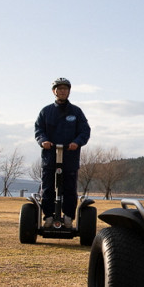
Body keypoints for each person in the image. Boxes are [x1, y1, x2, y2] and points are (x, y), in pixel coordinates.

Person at [34, 78, 91, 227]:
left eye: (65, 88)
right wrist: (43, 141)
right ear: (54, 91)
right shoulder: (46, 111)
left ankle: (68, 217)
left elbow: (85, 131)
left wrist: (76, 142)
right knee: (47, 188)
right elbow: (39, 130)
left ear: (69, 91)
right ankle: (48, 217)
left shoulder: (76, 112)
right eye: (59, 89)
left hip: (70, 157)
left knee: (69, 189)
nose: (62, 91)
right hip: (50, 156)